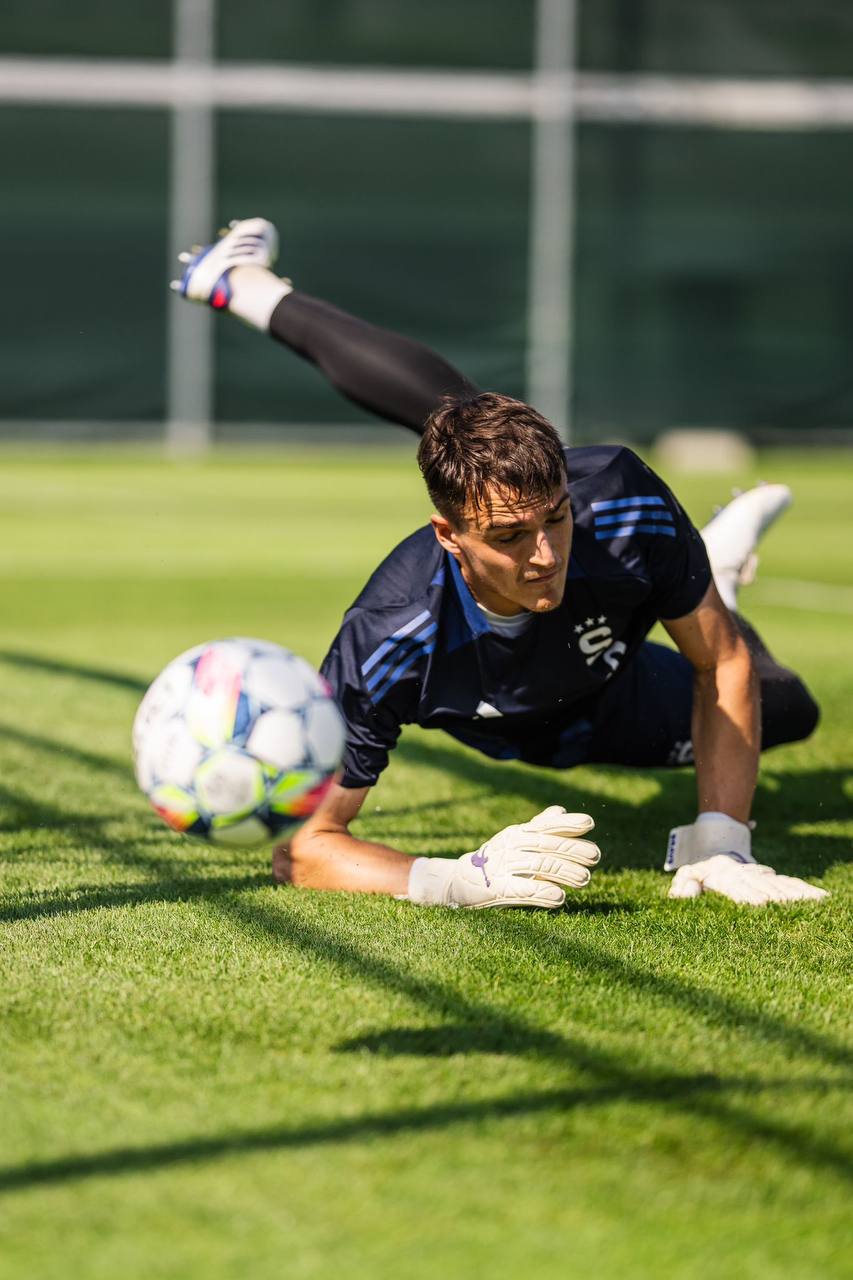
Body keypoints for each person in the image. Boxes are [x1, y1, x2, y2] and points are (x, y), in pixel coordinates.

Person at [171, 218, 827, 909]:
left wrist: (723, 838)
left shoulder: (621, 503)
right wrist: (454, 880)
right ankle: (704, 578)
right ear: (448, 536)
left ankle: (701, 580)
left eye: (555, 519)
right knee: (455, 417)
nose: (544, 557)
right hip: (541, 726)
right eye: (509, 538)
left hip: (612, 670)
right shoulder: (391, 635)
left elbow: (720, 664)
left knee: (787, 710)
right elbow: (303, 849)